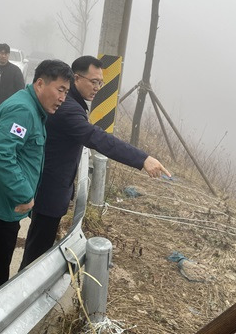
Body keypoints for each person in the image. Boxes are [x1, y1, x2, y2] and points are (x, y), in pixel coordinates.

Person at [19, 55, 171, 270]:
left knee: (38, 246)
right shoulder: (68, 108)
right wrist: (142, 159)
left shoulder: (71, 102)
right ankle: (27, 292)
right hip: (49, 191)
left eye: (101, 82)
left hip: (50, 188)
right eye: (94, 82)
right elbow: (98, 139)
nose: (98, 87)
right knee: (35, 253)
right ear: (76, 78)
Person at [0, 59, 74, 302]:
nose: (62, 98)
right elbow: (1, 155)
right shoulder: (23, 111)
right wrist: (24, 194)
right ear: (39, 83)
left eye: (66, 92)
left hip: (1, 207)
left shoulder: (30, 108)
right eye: (60, 90)